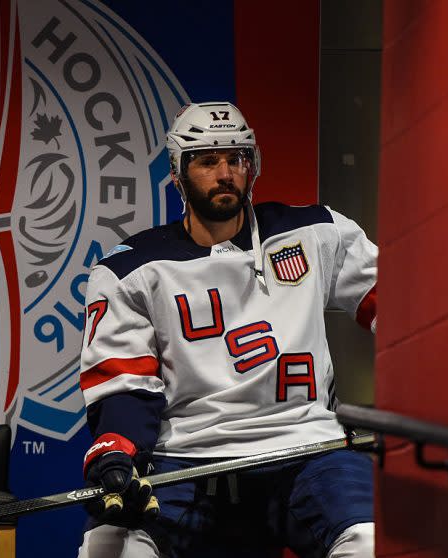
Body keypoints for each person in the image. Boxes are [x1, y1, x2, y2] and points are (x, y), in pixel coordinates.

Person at [77, 102, 377, 558]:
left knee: (370, 541)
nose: (225, 173)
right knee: (108, 549)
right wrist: (115, 454)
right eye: (207, 161)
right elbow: (125, 385)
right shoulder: (130, 269)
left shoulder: (316, 232)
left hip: (306, 445)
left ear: (252, 166)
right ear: (177, 173)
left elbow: (405, 309)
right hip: (189, 458)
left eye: (236, 159)